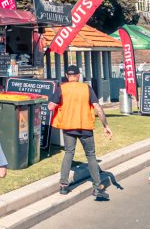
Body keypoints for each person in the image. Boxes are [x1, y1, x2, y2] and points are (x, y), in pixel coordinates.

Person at [48, 65, 113, 200]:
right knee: (91, 155)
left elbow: (50, 107)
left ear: (67, 75)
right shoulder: (87, 88)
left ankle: (63, 186)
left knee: (69, 153)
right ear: (78, 75)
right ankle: (97, 187)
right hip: (85, 127)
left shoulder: (61, 88)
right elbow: (97, 107)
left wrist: (57, 104)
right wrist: (106, 126)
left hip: (68, 127)